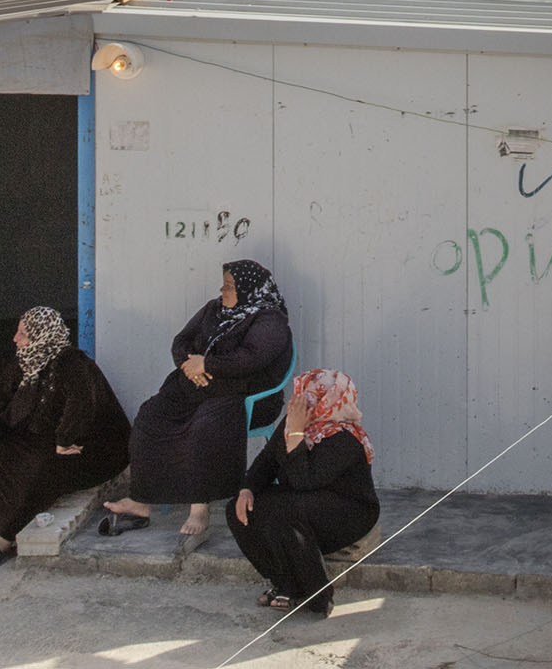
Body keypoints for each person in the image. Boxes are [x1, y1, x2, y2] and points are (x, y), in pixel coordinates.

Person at [99, 257, 293, 544]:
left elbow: (253, 358)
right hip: (196, 385)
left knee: (205, 426)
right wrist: (189, 365)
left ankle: (200, 506)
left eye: (229, 286)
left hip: (245, 393)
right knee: (150, 416)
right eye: (224, 284)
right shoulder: (214, 309)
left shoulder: (269, 319)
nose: (222, 290)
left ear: (249, 288)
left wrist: (208, 365)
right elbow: (181, 341)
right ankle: (142, 500)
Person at [0, 306, 131, 569]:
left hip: (90, 446)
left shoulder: (72, 363)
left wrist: (64, 440)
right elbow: (8, 406)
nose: (16, 340)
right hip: (47, 437)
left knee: (44, 465)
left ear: (44, 335)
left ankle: (5, 538)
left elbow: (82, 406)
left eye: (23, 334)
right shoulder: (26, 363)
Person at [226, 368, 380, 616]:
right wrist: (247, 489)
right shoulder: (295, 424)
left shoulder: (345, 438)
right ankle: (284, 582)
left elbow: (303, 481)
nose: (304, 402)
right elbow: (267, 461)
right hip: (304, 502)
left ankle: (317, 594)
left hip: (349, 511)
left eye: (314, 396)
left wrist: (296, 433)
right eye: (304, 394)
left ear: (331, 400)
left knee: (284, 511)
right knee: (239, 509)